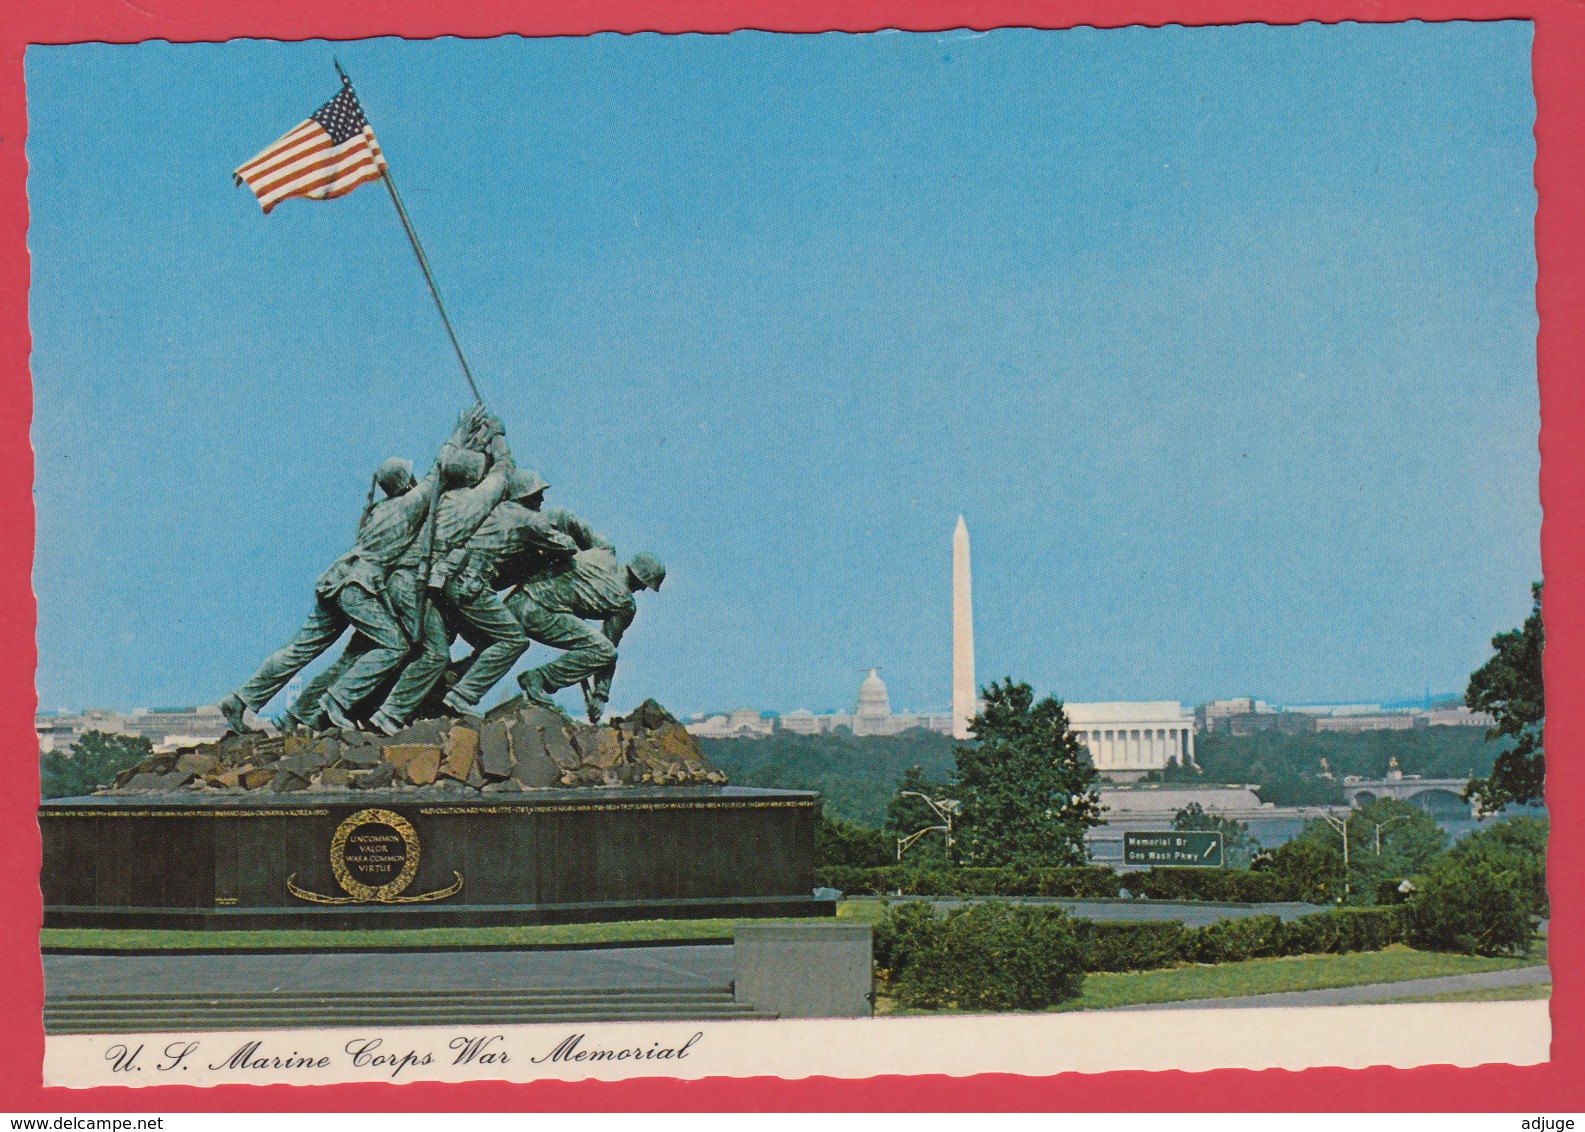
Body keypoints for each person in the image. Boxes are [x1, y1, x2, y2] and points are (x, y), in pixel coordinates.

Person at [218, 408, 488, 733]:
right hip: (357, 586)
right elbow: (439, 471)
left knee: (299, 649)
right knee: (394, 646)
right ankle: (337, 701)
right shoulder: (408, 505)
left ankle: (241, 698)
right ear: (407, 481)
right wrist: (462, 432)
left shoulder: (377, 510)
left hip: (337, 580)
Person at [365, 427, 519, 733]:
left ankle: (397, 709)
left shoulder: (434, 499)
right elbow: (505, 472)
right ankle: (393, 713)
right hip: (413, 585)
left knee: (434, 648)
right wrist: (497, 438)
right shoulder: (471, 502)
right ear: (475, 478)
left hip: (407, 583)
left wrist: (470, 443)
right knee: (440, 652)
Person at [509, 549, 666, 723]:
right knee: (604, 651)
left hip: (515, 601)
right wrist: (601, 695)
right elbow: (608, 648)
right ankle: (539, 678)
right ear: (640, 578)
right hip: (538, 613)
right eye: (645, 584)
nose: (643, 589)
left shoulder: (601, 554)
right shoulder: (625, 603)